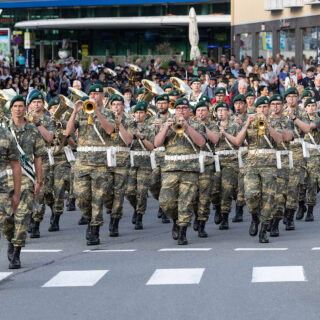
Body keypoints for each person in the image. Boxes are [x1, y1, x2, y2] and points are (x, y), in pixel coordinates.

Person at [227, 96, 283, 243]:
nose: (262, 110)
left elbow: (279, 140)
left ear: (269, 108)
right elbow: (238, 142)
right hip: (251, 166)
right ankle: (254, 217)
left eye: (265, 107)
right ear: (256, 109)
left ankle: (264, 230)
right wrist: (246, 125)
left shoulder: (276, 122)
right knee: (251, 195)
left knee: (268, 198)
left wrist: (268, 124)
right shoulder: (250, 122)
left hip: (269, 166)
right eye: (260, 107)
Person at [66, 84, 115, 245]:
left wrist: (97, 113)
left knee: (98, 198)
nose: (94, 96)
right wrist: (74, 111)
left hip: (101, 163)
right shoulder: (81, 113)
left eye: (97, 93)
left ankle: (95, 229)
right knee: (81, 197)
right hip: (82, 162)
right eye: (91, 93)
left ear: (103, 95)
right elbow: (68, 132)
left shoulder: (108, 113)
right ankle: (88, 218)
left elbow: (109, 130)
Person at [155, 97, 206, 245]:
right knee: (166, 202)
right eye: (178, 109)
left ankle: (183, 231)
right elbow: (157, 143)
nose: (181, 111)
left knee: (186, 202)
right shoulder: (167, 124)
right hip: (170, 170)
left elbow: (201, 142)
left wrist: (188, 127)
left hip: (190, 170)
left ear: (189, 111)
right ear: (174, 110)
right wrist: (166, 128)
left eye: (184, 108)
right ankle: (176, 220)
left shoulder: (197, 124)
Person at [4, 95, 44, 269]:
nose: (19, 109)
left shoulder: (32, 130)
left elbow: (38, 157)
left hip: (26, 179)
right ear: (11, 109)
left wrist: (38, 179)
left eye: (21, 106)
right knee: (5, 220)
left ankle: (16, 252)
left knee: (21, 218)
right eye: (16, 106)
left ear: (25, 108)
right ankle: (10, 239)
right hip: (5, 179)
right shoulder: (3, 129)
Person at [104, 94, 135, 237]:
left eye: (119, 104)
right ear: (110, 106)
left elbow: (128, 140)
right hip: (105, 160)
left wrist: (119, 124)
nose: (116, 107)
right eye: (114, 104)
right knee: (105, 191)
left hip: (122, 160)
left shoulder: (129, 120)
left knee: (119, 192)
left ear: (123, 106)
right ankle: (111, 210)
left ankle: (115, 220)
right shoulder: (104, 117)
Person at [27, 90, 56, 238]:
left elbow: (50, 138)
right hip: (25, 160)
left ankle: (36, 222)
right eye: (34, 102)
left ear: (43, 104)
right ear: (29, 104)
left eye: (39, 102)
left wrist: (38, 124)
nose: (36, 105)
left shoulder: (48, 119)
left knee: (40, 192)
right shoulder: (22, 119)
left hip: (42, 159)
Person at [47, 97, 76, 232]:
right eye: (53, 108)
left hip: (62, 160)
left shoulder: (65, 123)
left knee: (58, 190)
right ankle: (52, 208)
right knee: (46, 191)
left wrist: (66, 135)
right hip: (47, 159)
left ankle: (56, 218)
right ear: (49, 110)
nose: (55, 111)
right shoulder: (43, 123)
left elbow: (74, 144)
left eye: (58, 108)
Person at [125, 101, 155, 229]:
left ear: (145, 114)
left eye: (141, 112)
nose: (138, 115)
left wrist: (141, 137)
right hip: (131, 163)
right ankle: (136, 208)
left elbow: (152, 147)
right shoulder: (128, 128)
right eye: (136, 112)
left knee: (142, 191)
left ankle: (140, 216)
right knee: (129, 191)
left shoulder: (150, 129)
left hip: (145, 163)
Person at [284, 87, 310, 227]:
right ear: (286, 98)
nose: (292, 99)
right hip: (282, 151)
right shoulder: (280, 111)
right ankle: (283, 210)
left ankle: (290, 216)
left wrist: (294, 117)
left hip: (298, 150)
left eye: (294, 96)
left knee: (294, 185)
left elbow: (306, 129)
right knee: (282, 186)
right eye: (289, 96)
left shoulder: (302, 112)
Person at [212, 102, 240, 230]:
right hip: (216, 160)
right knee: (214, 190)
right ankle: (217, 207)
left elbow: (239, 141)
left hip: (231, 160)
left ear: (229, 112)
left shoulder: (235, 125)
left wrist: (225, 133)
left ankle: (224, 216)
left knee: (227, 189)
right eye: (219, 110)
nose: (221, 112)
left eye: (224, 110)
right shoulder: (213, 126)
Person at [268, 94, 293, 237]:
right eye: (273, 104)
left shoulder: (286, 120)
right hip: (267, 160)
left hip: (282, 160)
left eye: (278, 104)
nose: (276, 106)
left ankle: (275, 223)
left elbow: (288, 137)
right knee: (267, 194)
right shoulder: (265, 119)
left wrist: (280, 125)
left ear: (282, 105)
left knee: (279, 195)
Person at [193, 100, 219, 237]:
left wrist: (204, 127)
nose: (201, 113)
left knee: (204, 195)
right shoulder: (189, 124)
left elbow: (215, 140)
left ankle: (202, 223)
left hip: (207, 163)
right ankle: (196, 214)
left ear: (208, 112)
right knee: (192, 195)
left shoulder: (212, 126)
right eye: (198, 110)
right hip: (191, 163)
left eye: (203, 110)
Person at [148, 94, 172, 223]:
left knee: (166, 184)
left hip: (168, 155)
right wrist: (153, 128)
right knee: (153, 183)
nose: (161, 105)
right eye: (159, 103)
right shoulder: (151, 119)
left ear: (168, 104)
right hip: (156, 156)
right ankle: (161, 202)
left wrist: (164, 125)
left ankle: (164, 209)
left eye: (164, 103)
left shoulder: (173, 119)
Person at [303, 97, 320, 221]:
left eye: (313, 105)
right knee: (300, 181)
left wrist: (295, 119)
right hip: (300, 153)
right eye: (309, 106)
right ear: (305, 108)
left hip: (314, 153)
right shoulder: (301, 118)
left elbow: (311, 126)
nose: (311, 108)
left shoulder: (317, 118)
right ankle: (299, 205)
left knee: (313, 181)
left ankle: (310, 209)